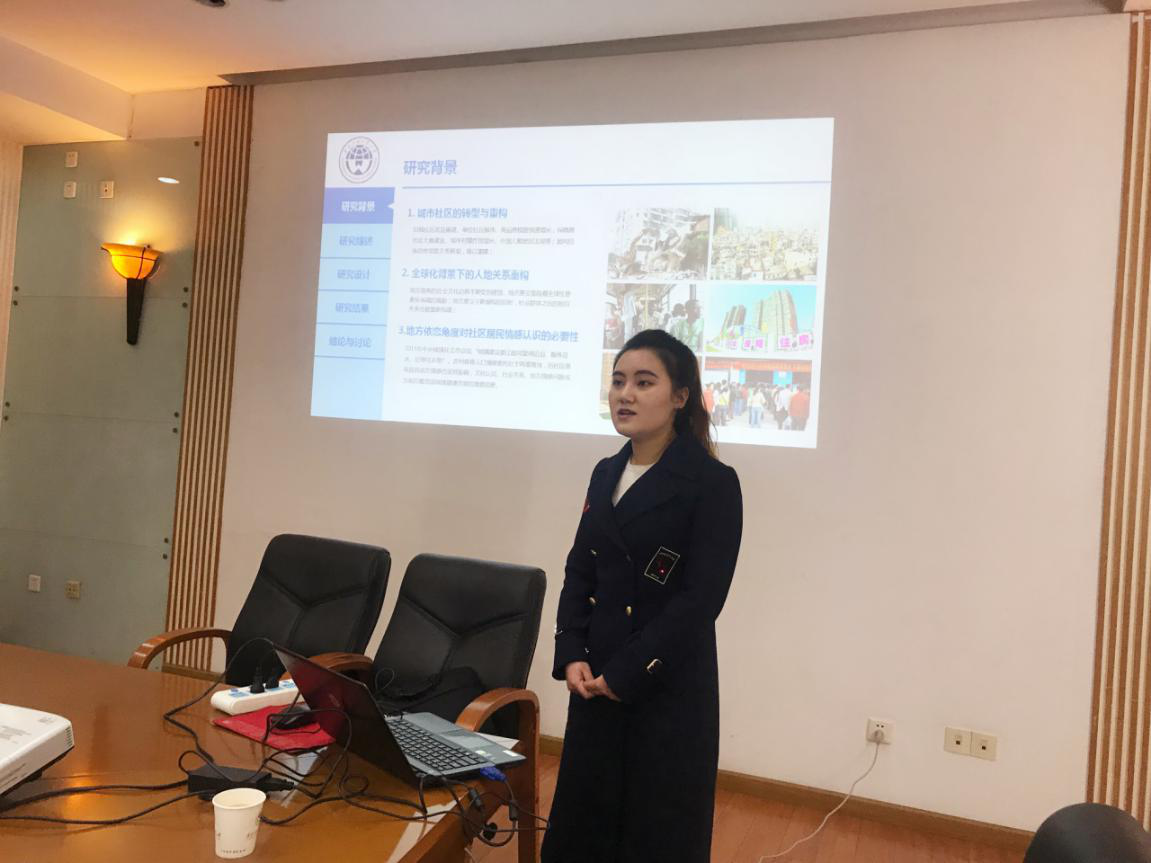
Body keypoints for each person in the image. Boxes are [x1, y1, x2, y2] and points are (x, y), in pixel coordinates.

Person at [542, 329, 743, 863]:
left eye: (644, 382)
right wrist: (571, 652)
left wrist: (628, 672)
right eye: (618, 381)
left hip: (665, 682)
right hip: (594, 677)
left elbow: (701, 599)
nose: (625, 394)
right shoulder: (605, 472)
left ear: (680, 396)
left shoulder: (712, 482)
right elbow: (580, 570)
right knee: (584, 827)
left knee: (656, 831)